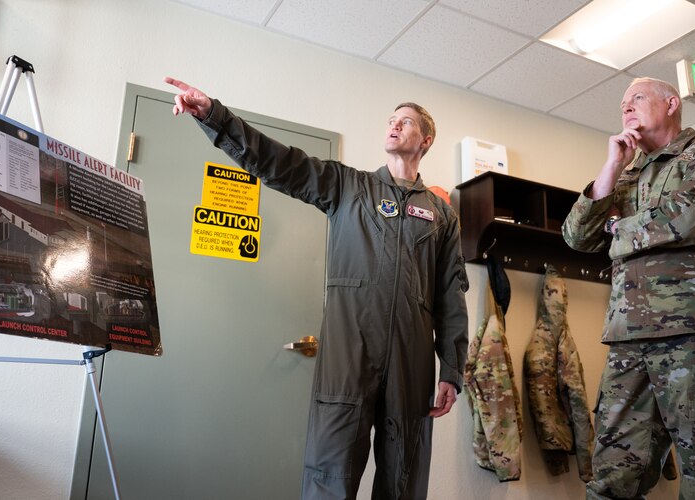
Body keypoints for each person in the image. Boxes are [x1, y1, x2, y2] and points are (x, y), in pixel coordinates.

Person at [165, 77, 469, 499]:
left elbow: (451, 294)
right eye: (391, 120)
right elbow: (280, 163)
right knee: (330, 471)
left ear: (426, 140)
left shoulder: (441, 216)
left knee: (404, 476)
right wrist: (215, 117)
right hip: (349, 355)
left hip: (410, 361)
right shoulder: (349, 186)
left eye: (406, 121)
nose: (394, 125)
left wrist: (452, 369)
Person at [562, 77, 695, 499]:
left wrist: (615, 228)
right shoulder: (626, 175)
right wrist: (612, 166)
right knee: (611, 480)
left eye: (637, 98)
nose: (626, 107)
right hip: (629, 339)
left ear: (671, 104)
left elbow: (690, 219)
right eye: (622, 103)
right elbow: (577, 236)